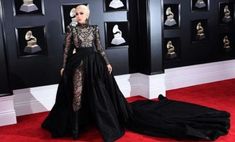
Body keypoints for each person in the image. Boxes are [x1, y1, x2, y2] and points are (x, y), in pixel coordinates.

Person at [42, 4, 230, 142]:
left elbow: (99, 48)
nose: (78, 15)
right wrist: (63, 65)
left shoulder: (94, 29)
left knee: (100, 94)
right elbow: (66, 49)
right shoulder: (71, 30)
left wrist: (107, 63)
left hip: (96, 63)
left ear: (88, 14)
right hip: (78, 64)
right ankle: (75, 128)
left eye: (81, 13)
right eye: (76, 13)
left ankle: (100, 121)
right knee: (77, 94)